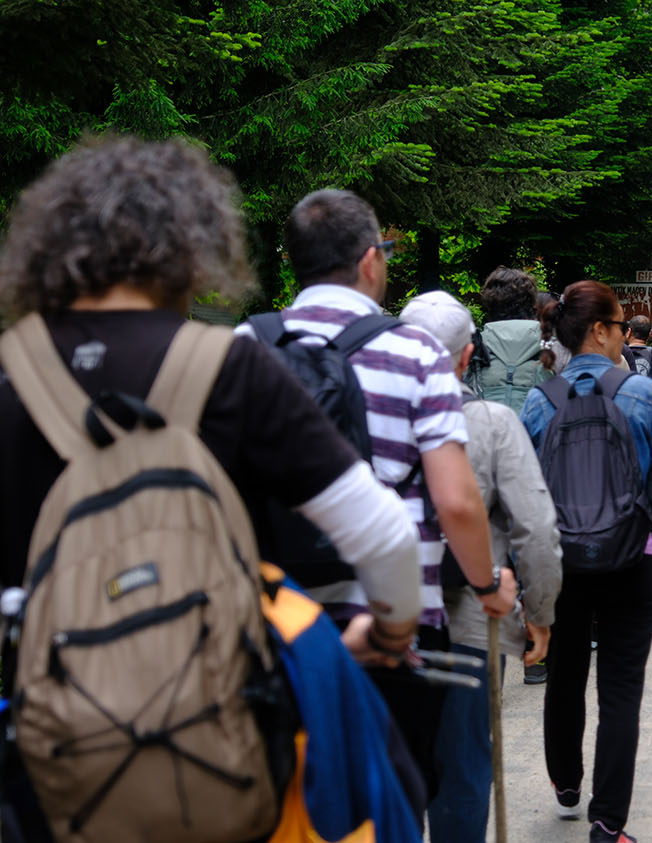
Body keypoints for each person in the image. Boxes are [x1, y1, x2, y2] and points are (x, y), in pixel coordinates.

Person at [0, 136, 426, 838]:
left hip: (60, 769)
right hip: (223, 743)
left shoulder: (13, 384)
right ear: (188, 242)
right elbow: (382, 535)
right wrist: (386, 632)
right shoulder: (227, 367)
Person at [252, 188, 516, 808]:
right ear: (371, 260)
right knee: (397, 797)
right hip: (396, 621)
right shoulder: (415, 353)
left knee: (295, 799)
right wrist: (485, 586)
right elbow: (455, 502)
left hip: (278, 622)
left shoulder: (247, 346)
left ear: (293, 261)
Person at [520, 281, 652, 843]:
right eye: (617, 325)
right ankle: (608, 820)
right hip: (631, 560)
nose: (621, 334)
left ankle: (566, 785)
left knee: (564, 674)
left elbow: (521, 493)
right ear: (599, 331)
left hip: (562, 563)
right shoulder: (638, 394)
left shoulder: (541, 402)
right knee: (620, 690)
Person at [399, 291, 564, 842]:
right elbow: (536, 530)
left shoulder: (359, 411)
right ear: (468, 357)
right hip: (469, 621)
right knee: (464, 765)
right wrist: (538, 614)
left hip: (380, 618)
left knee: (388, 767)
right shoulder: (491, 423)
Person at [469, 266, 552, 412]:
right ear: (532, 303)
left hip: (484, 431)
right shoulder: (553, 348)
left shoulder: (474, 350)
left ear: (489, 304)